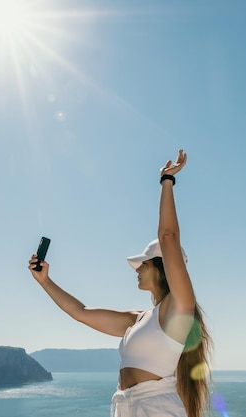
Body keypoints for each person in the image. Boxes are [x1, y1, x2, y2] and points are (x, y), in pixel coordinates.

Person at [28, 149, 212, 417]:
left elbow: (169, 236)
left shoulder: (179, 308)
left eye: (143, 264)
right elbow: (80, 313)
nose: (137, 270)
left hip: (156, 408)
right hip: (127, 406)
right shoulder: (138, 319)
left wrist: (166, 181)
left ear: (162, 268)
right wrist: (44, 281)